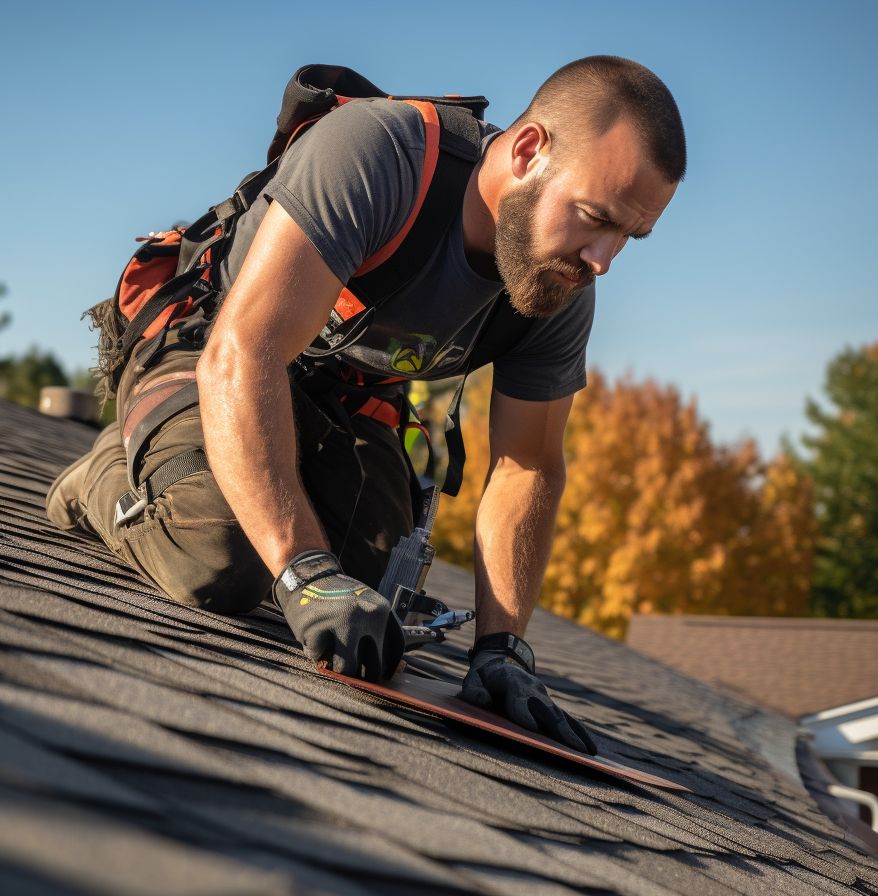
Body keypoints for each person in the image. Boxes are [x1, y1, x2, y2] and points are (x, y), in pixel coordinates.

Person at [47, 56, 684, 754]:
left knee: (374, 595)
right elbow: (245, 352)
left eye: (630, 235)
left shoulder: (560, 279)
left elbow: (528, 465)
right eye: (595, 218)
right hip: (209, 350)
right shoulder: (382, 155)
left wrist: (501, 648)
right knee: (224, 557)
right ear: (530, 150)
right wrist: (304, 572)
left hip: (341, 398)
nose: (604, 259)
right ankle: (106, 476)